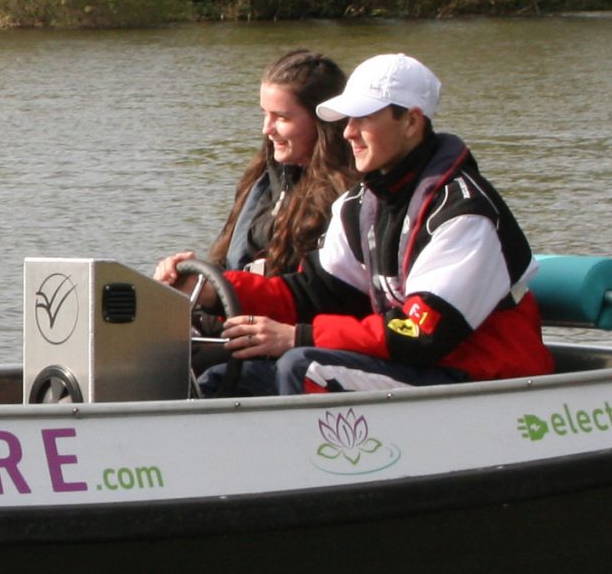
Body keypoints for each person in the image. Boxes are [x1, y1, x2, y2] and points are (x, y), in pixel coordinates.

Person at [204, 52, 550, 395]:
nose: (348, 132)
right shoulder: (358, 205)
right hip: (418, 370)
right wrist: (212, 289)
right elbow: (313, 293)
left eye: (364, 119)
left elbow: (421, 333)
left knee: (303, 365)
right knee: (222, 378)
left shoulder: (464, 214)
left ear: (411, 122)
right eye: (347, 119)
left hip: (487, 382)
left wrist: (299, 336)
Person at [153, 48, 358, 289]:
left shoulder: (348, 198)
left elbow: (321, 291)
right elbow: (232, 264)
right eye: (265, 114)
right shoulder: (263, 180)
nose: (266, 129)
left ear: (322, 120)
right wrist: (194, 278)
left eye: (281, 117)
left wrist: (225, 291)